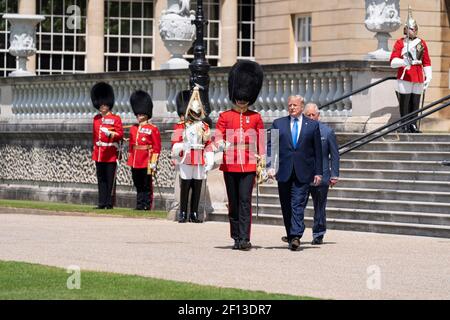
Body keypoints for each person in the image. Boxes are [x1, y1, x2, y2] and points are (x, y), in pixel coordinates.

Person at [214, 60, 265, 251]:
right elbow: (218, 135)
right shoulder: (225, 116)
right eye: (239, 97)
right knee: (234, 203)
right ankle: (236, 236)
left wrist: (263, 162)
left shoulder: (256, 117)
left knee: (245, 201)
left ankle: (245, 237)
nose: (242, 100)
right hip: (230, 163)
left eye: (245, 98)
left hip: (249, 164)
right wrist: (220, 143)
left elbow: (260, 141)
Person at [268, 95, 322, 251]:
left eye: (295, 105)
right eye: (289, 105)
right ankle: (291, 235)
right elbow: (271, 144)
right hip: (283, 171)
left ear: (302, 106)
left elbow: (317, 151)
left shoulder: (312, 125)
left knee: (297, 204)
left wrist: (318, 172)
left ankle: (296, 235)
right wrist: (271, 166)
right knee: (286, 205)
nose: (291, 107)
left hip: (303, 171)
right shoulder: (278, 123)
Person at [171, 86, 214, 223]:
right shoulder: (181, 126)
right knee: (185, 185)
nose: (196, 114)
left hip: (200, 157)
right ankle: (183, 212)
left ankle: (194, 213)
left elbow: (208, 144)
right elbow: (175, 143)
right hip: (187, 156)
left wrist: (210, 159)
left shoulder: (204, 127)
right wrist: (181, 149)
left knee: (197, 185)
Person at [390, 7, 431, 133]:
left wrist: (428, 76)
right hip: (405, 73)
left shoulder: (421, 43)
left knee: (415, 102)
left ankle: (413, 124)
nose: (411, 31)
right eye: (409, 28)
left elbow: (426, 61)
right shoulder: (400, 43)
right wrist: (403, 61)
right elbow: (392, 62)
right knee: (405, 101)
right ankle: (404, 125)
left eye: (413, 29)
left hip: (418, 74)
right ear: (405, 29)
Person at [303, 103, 339, 245]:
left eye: (314, 115)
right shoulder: (300, 131)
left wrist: (334, 174)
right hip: (303, 175)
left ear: (318, 115)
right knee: (298, 205)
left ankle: (318, 233)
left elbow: (335, 155)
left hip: (322, 175)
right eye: (308, 115)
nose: (311, 117)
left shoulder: (327, 132)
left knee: (319, 207)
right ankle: (296, 232)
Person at [91, 82, 124, 209]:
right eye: (100, 104)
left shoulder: (116, 119)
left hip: (110, 153)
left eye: (104, 104)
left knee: (110, 179)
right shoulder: (96, 119)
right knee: (101, 179)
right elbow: (94, 137)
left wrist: (110, 134)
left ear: (108, 105)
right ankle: (101, 202)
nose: (102, 106)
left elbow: (120, 134)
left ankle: (109, 202)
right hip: (99, 153)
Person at [127, 90, 161, 211]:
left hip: (146, 160)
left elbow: (156, 147)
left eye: (140, 114)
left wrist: (154, 161)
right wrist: (130, 160)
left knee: (147, 184)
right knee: (138, 183)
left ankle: (147, 204)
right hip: (135, 160)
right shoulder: (133, 129)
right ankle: (139, 204)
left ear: (146, 114)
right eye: (137, 114)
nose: (138, 116)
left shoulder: (153, 128)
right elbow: (131, 146)